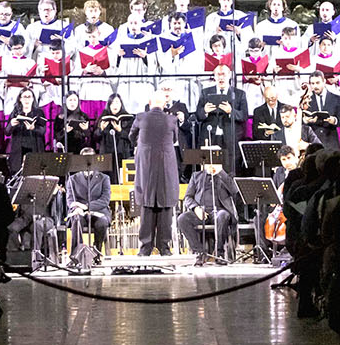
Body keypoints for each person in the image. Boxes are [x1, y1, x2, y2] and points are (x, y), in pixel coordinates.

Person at [129, 93, 180, 256]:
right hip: (165, 167)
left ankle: (145, 248)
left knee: (147, 205)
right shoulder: (171, 120)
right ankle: (164, 247)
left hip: (147, 168)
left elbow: (131, 136)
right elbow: (175, 139)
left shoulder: (140, 117)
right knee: (165, 207)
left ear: (149, 104)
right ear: (164, 105)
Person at [177, 160, 238, 265]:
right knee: (182, 219)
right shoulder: (196, 176)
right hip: (201, 212)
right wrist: (196, 208)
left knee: (223, 216)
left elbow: (234, 190)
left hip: (219, 211)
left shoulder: (225, 177)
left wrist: (220, 172)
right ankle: (199, 252)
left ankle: (219, 253)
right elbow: (188, 197)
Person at [196, 63, 248, 173]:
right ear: (214, 76)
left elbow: (244, 116)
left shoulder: (239, 94)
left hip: (230, 139)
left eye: (223, 74)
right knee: (210, 171)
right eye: (218, 74)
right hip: (211, 137)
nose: (221, 77)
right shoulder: (206, 92)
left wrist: (231, 111)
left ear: (229, 75)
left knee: (229, 170)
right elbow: (198, 115)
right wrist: (205, 111)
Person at [65, 149, 112, 264]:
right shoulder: (72, 179)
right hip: (79, 213)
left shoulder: (104, 178)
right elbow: (70, 200)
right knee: (77, 220)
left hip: (98, 211)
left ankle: (96, 255)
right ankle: (76, 257)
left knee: (102, 223)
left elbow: (105, 200)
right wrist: (77, 208)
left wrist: (85, 206)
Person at [301, 70, 340, 150]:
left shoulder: (336, 98)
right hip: (314, 144)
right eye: (312, 83)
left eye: (318, 83)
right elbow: (300, 122)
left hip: (332, 143)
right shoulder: (305, 100)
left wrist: (334, 120)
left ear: (324, 82)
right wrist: (306, 120)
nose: (315, 86)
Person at [7, 87, 46, 174]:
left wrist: (34, 128)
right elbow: (7, 132)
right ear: (20, 99)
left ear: (33, 99)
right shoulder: (15, 112)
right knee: (18, 174)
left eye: (29, 97)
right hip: (19, 149)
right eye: (24, 97)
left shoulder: (39, 112)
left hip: (34, 147)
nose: (27, 99)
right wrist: (11, 125)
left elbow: (43, 131)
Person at [96, 94, 133, 180]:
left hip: (122, 153)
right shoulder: (103, 118)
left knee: (121, 179)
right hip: (106, 155)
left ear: (121, 104)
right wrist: (101, 129)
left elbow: (132, 138)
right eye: (112, 103)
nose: (114, 105)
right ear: (108, 105)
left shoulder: (128, 118)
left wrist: (120, 131)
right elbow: (95, 138)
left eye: (117, 102)